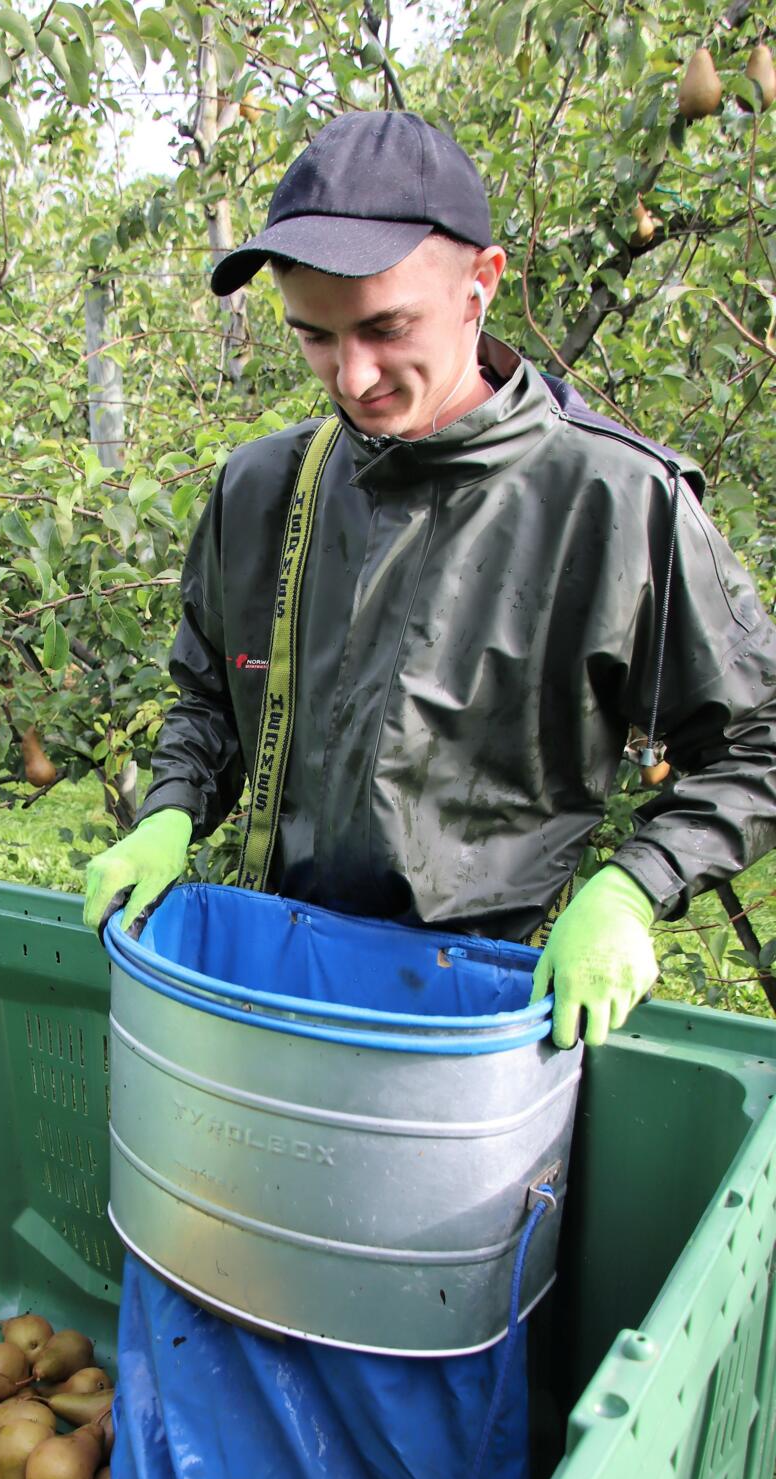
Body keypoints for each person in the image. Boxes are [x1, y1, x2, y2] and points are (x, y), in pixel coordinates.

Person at [83, 110, 776, 1048]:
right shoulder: (262, 491)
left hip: (480, 1028)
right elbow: (211, 696)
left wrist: (631, 887)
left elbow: (760, 740)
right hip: (270, 995)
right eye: (315, 337)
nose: (354, 376)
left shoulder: (614, 504)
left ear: (479, 286)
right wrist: (168, 812)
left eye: (385, 327)